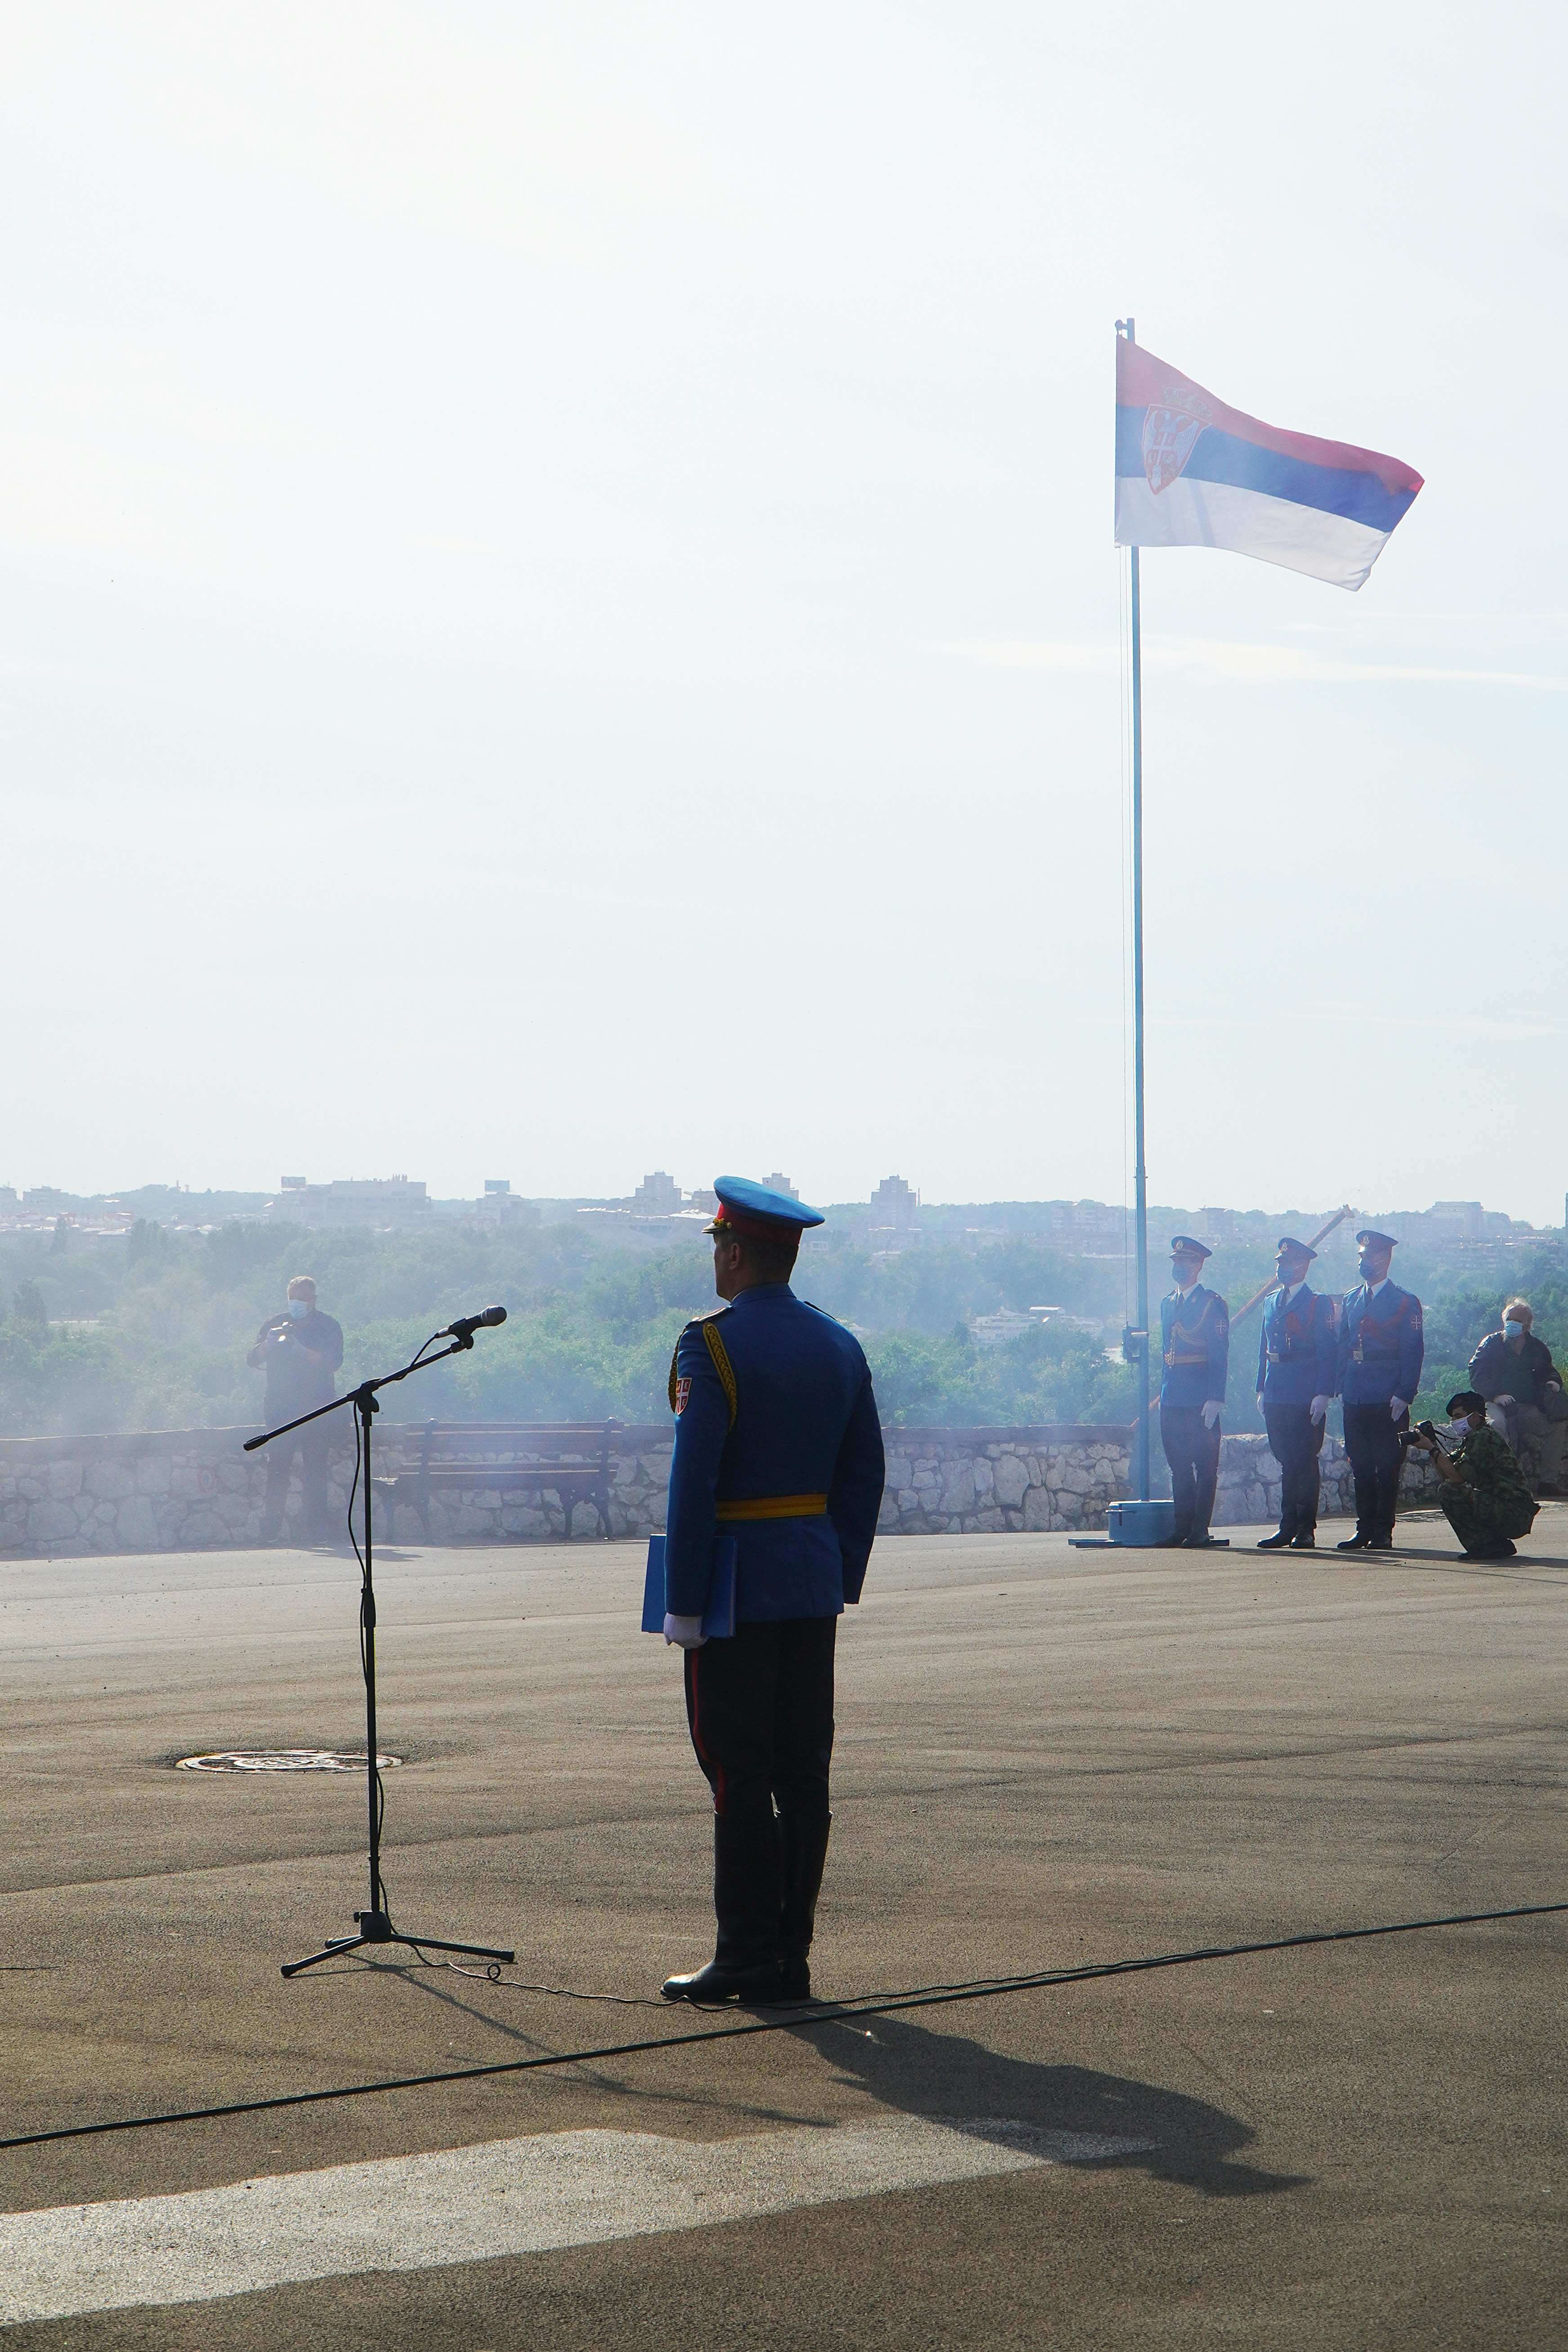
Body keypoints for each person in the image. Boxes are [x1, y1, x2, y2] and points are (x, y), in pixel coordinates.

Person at [658, 1175, 885, 2005]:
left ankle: (746, 1952)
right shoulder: (839, 1342)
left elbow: (695, 1480)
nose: (716, 1256)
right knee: (803, 1768)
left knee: (737, 1770)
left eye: (719, 1244)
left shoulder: (708, 1344)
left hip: (735, 1588)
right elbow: (863, 1473)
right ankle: (790, 1951)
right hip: (809, 1579)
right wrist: (836, 1566)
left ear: (735, 1250)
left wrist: (684, 1599)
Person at [1335, 1229, 1424, 1553]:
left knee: (1386, 1465)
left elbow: (1412, 1351)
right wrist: (1340, 1387)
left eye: (1369, 1256)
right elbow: (1342, 1346)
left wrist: (1404, 1393)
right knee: (1360, 1465)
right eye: (1361, 1256)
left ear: (1384, 1259)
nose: (1364, 1261)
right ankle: (1363, 1528)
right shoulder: (1351, 1299)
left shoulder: (1403, 1301)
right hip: (1356, 1393)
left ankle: (1383, 1530)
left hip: (1388, 1395)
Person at [1254, 1237, 1337, 1550]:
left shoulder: (1317, 1303)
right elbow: (1262, 1349)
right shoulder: (1270, 1301)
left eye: (1288, 1264)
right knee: (1285, 1461)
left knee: (1304, 1461)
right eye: (1280, 1264)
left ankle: (1305, 1528)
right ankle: (1286, 1526)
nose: (1282, 1269)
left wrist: (1322, 1392)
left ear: (1303, 1266)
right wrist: (1260, 1386)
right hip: (1276, 1389)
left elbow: (1328, 1350)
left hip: (1304, 1390)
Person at [247, 1275, 344, 1541]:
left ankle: (317, 1532)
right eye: (293, 1298)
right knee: (277, 1469)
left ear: (313, 1299)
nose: (297, 1303)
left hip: (317, 1408)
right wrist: (268, 1344)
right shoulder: (274, 1324)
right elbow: (251, 1359)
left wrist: (301, 1350)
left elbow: (334, 1362)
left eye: (302, 1298)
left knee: (316, 1471)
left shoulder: (329, 1326)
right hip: (280, 1409)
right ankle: (270, 1530)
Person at [1158, 1236, 1229, 1548]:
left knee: (1204, 1466)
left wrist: (1215, 1396)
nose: (1179, 1266)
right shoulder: (1167, 1303)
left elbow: (1219, 1353)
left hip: (1200, 1397)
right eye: (1175, 1261)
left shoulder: (1211, 1303)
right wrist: (1164, 1395)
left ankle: (1199, 1529)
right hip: (1173, 1396)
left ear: (1199, 1265)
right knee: (1178, 1467)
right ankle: (1181, 1527)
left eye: (1185, 1261)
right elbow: (1166, 1354)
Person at [1406, 1392, 1537, 1560]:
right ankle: (1497, 1544)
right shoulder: (1473, 1439)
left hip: (1515, 1514)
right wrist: (1433, 1448)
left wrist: (1432, 1449)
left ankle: (1485, 1545)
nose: (1453, 1422)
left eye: (1458, 1416)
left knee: (1449, 1492)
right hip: (1510, 1510)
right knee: (1449, 1488)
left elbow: (1458, 1478)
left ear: (1475, 1417)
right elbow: (1448, 1475)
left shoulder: (1483, 1436)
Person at [1467, 1300, 1568, 1498]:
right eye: (1509, 1319)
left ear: (1528, 1324)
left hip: (1527, 1408)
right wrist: (1496, 1395)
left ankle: (1548, 1482)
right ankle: (1503, 1483)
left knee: (1555, 1427)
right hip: (1496, 1404)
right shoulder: (1491, 1344)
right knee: (1497, 1427)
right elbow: (1477, 1373)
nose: (1512, 1324)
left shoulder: (1536, 1347)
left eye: (1517, 1320)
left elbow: (1550, 1371)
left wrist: (1554, 1382)